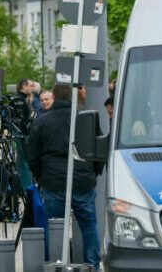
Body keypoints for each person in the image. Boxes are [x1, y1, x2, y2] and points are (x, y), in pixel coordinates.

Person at [27, 83, 103, 269]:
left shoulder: (43, 121)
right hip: (83, 180)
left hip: (54, 181)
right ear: (72, 97)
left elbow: (32, 153)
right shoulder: (85, 119)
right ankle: (92, 263)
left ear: (54, 97)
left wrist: (41, 176)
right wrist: (94, 173)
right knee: (88, 224)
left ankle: (58, 263)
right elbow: (99, 148)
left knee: (55, 226)